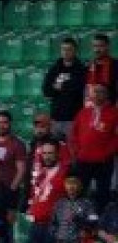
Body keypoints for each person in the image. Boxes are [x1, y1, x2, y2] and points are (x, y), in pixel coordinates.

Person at [26, 141, 68, 243]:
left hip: (54, 227)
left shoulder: (65, 172)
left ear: (57, 154)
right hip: (36, 226)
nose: (47, 156)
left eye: (50, 153)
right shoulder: (39, 173)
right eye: (44, 153)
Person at [70, 82, 117, 210]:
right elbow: (74, 134)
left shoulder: (114, 114)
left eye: (100, 91)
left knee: (102, 194)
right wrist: (76, 151)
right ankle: (80, 220)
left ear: (107, 95)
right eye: (95, 91)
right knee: (80, 193)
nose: (96, 94)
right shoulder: (83, 112)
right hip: (83, 160)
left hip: (104, 162)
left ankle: (101, 224)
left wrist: (107, 153)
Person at [42, 38, 87, 138]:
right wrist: (65, 87)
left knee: (72, 150)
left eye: (69, 49)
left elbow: (78, 89)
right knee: (55, 150)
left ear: (75, 51)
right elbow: (46, 91)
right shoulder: (54, 69)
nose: (66, 52)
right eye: (63, 49)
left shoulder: (81, 69)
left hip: (73, 118)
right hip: (55, 118)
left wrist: (60, 87)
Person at [87, 33, 116, 99]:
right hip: (92, 105)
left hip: (110, 105)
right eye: (94, 46)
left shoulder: (115, 65)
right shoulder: (88, 66)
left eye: (100, 46)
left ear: (107, 46)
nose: (97, 50)